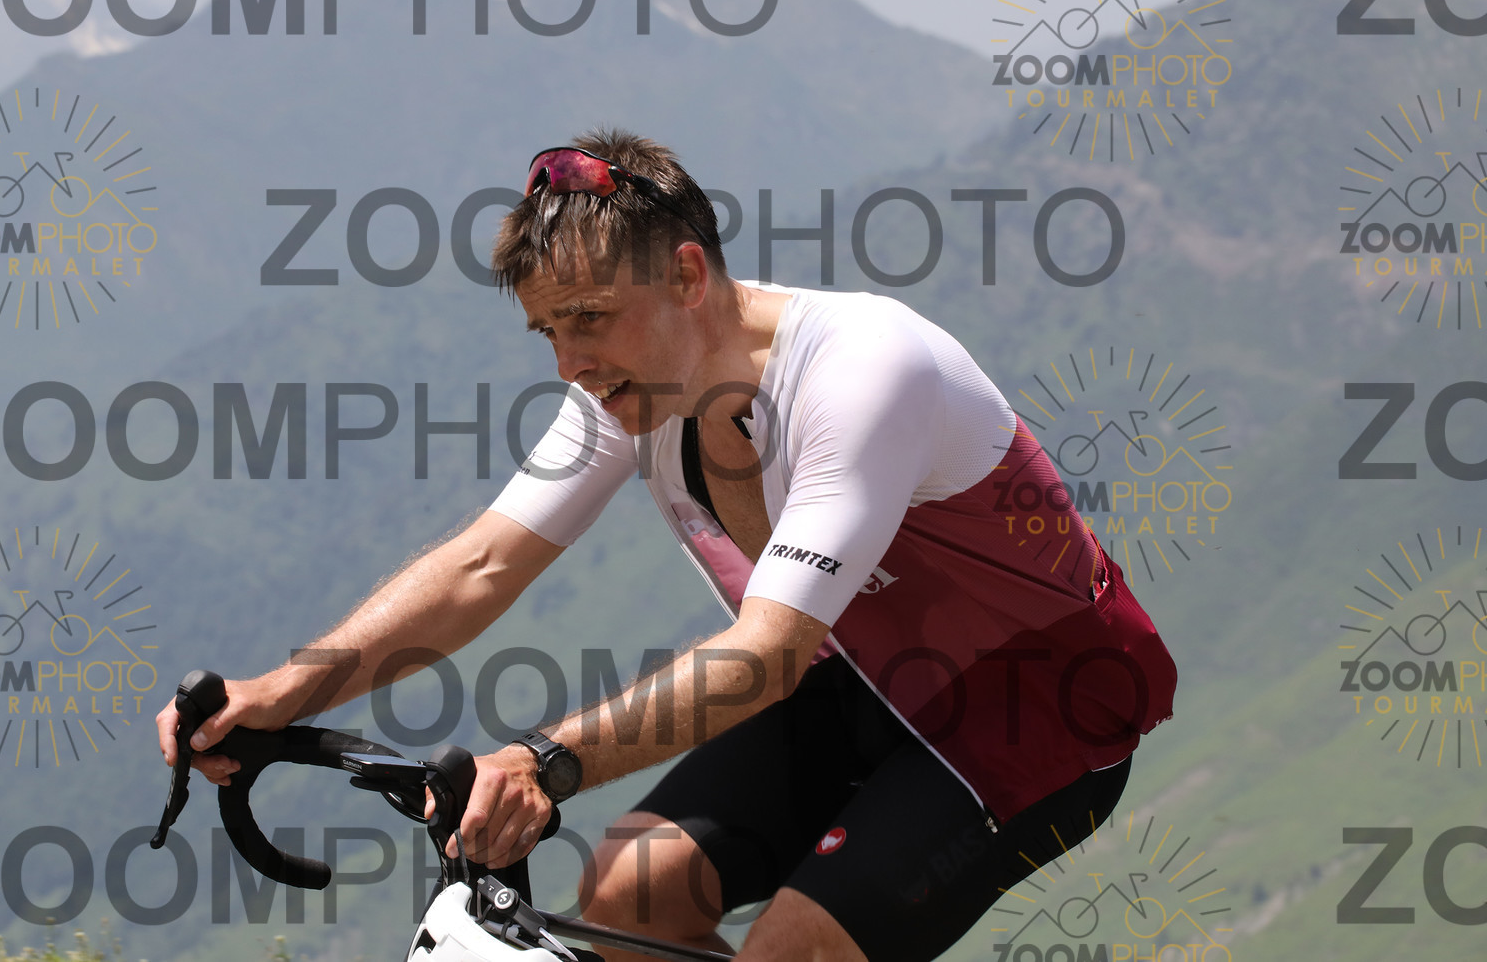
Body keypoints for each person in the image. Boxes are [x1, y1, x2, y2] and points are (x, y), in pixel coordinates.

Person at [159, 130, 1177, 961]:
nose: (570, 363)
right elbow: (482, 565)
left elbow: (765, 652)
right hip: (855, 678)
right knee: (629, 894)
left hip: (1030, 702)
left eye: (590, 319)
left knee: (796, 950)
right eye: (549, 331)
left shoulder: (864, 371)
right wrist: (280, 691)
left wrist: (545, 759)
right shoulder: (630, 383)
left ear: (687, 273)